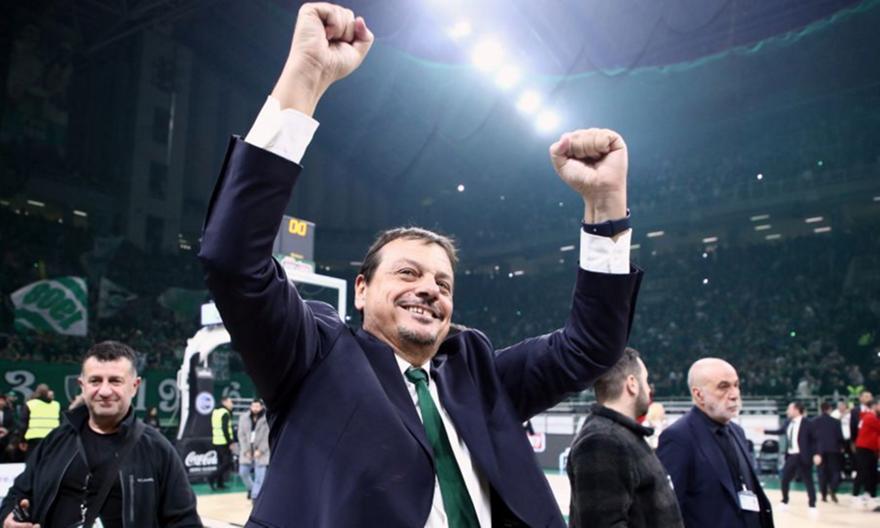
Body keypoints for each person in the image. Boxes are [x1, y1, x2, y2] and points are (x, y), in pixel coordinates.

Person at [198, 3, 642, 526]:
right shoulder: (314, 357)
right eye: (408, 273)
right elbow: (234, 259)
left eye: (443, 282)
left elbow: (592, 345)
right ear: (361, 289)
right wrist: (306, 78)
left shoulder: (478, 376)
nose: (430, 288)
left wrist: (605, 206)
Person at [0, 340, 201, 527]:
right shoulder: (55, 440)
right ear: (82, 386)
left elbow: (185, 521)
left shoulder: (158, 449)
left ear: (134, 386)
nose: (104, 391)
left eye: (115, 381)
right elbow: (17, 494)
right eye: (95, 381)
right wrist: (8, 517)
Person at [567, 348, 683, 527]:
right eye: (646, 381)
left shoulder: (620, 434)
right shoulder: (603, 440)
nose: (649, 389)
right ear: (632, 384)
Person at [657, 358, 773, 528]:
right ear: (698, 395)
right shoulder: (678, 437)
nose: (734, 394)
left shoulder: (737, 432)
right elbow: (669, 511)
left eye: (736, 385)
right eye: (723, 387)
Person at [763, 401, 819, 512]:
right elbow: (780, 431)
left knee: (808, 480)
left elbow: (815, 440)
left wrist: (817, 453)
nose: (787, 411)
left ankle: (812, 504)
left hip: (803, 455)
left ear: (796, 410)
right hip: (791, 455)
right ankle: (784, 501)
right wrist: (765, 431)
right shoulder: (788, 422)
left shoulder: (808, 423)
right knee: (785, 478)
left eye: (789, 409)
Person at [237, 399, 270, 501]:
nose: (255, 409)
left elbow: (267, 436)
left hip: (262, 452)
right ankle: (252, 489)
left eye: (257, 406)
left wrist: (261, 450)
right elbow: (241, 435)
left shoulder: (267, 418)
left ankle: (255, 498)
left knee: (260, 477)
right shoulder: (243, 418)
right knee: (243, 472)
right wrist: (246, 450)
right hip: (247, 451)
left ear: (262, 407)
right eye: (253, 406)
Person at [813, 401, 845, 503]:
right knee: (835, 471)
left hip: (820, 451)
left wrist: (814, 450)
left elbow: (812, 437)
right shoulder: (836, 422)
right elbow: (840, 437)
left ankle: (823, 494)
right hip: (834, 450)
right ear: (829, 409)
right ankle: (832, 488)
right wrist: (842, 447)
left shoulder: (814, 421)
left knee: (822, 472)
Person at [852, 399, 879, 509]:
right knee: (863, 472)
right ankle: (855, 495)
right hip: (865, 448)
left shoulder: (867, 417)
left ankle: (869, 495)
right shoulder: (869, 417)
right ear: (874, 406)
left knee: (871, 473)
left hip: (870, 448)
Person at [20, 384, 60, 453]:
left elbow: (23, 425)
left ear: (37, 392)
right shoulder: (56, 405)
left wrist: (22, 440)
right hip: (52, 439)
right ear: (48, 392)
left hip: (34, 439)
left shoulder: (30, 404)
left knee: (33, 459)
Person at [209, 396, 235, 491]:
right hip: (224, 442)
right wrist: (230, 442)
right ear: (225, 402)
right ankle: (211, 477)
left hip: (216, 441)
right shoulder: (225, 412)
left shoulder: (215, 411)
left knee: (220, 463)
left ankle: (220, 483)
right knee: (227, 463)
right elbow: (225, 428)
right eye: (230, 402)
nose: (232, 404)